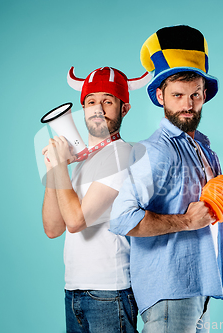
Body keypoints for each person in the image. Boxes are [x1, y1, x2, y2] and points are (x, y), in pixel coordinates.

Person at [109, 26, 223, 332]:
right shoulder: (157, 151)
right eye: (178, 95)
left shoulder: (205, 149)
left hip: (200, 287)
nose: (188, 105)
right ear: (160, 96)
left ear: (204, 95)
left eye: (195, 95)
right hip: (170, 290)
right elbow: (121, 219)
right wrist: (185, 222)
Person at [41, 66, 150, 333]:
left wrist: (59, 168)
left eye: (108, 101)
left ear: (124, 109)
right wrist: (56, 169)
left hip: (110, 291)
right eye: (91, 102)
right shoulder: (81, 162)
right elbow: (53, 228)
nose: (98, 109)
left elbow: (77, 221)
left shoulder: (122, 154)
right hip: (74, 289)